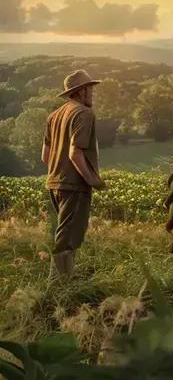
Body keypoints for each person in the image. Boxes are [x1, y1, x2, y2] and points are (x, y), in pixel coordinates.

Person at [42, 69, 104, 279]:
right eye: (90, 88)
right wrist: (92, 179)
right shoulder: (84, 114)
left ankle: (65, 280)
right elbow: (75, 153)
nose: (92, 92)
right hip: (74, 185)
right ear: (80, 91)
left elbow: (46, 156)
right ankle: (59, 288)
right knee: (67, 238)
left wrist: (59, 172)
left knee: (65, 231)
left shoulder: (54, 116)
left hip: (54, 183)